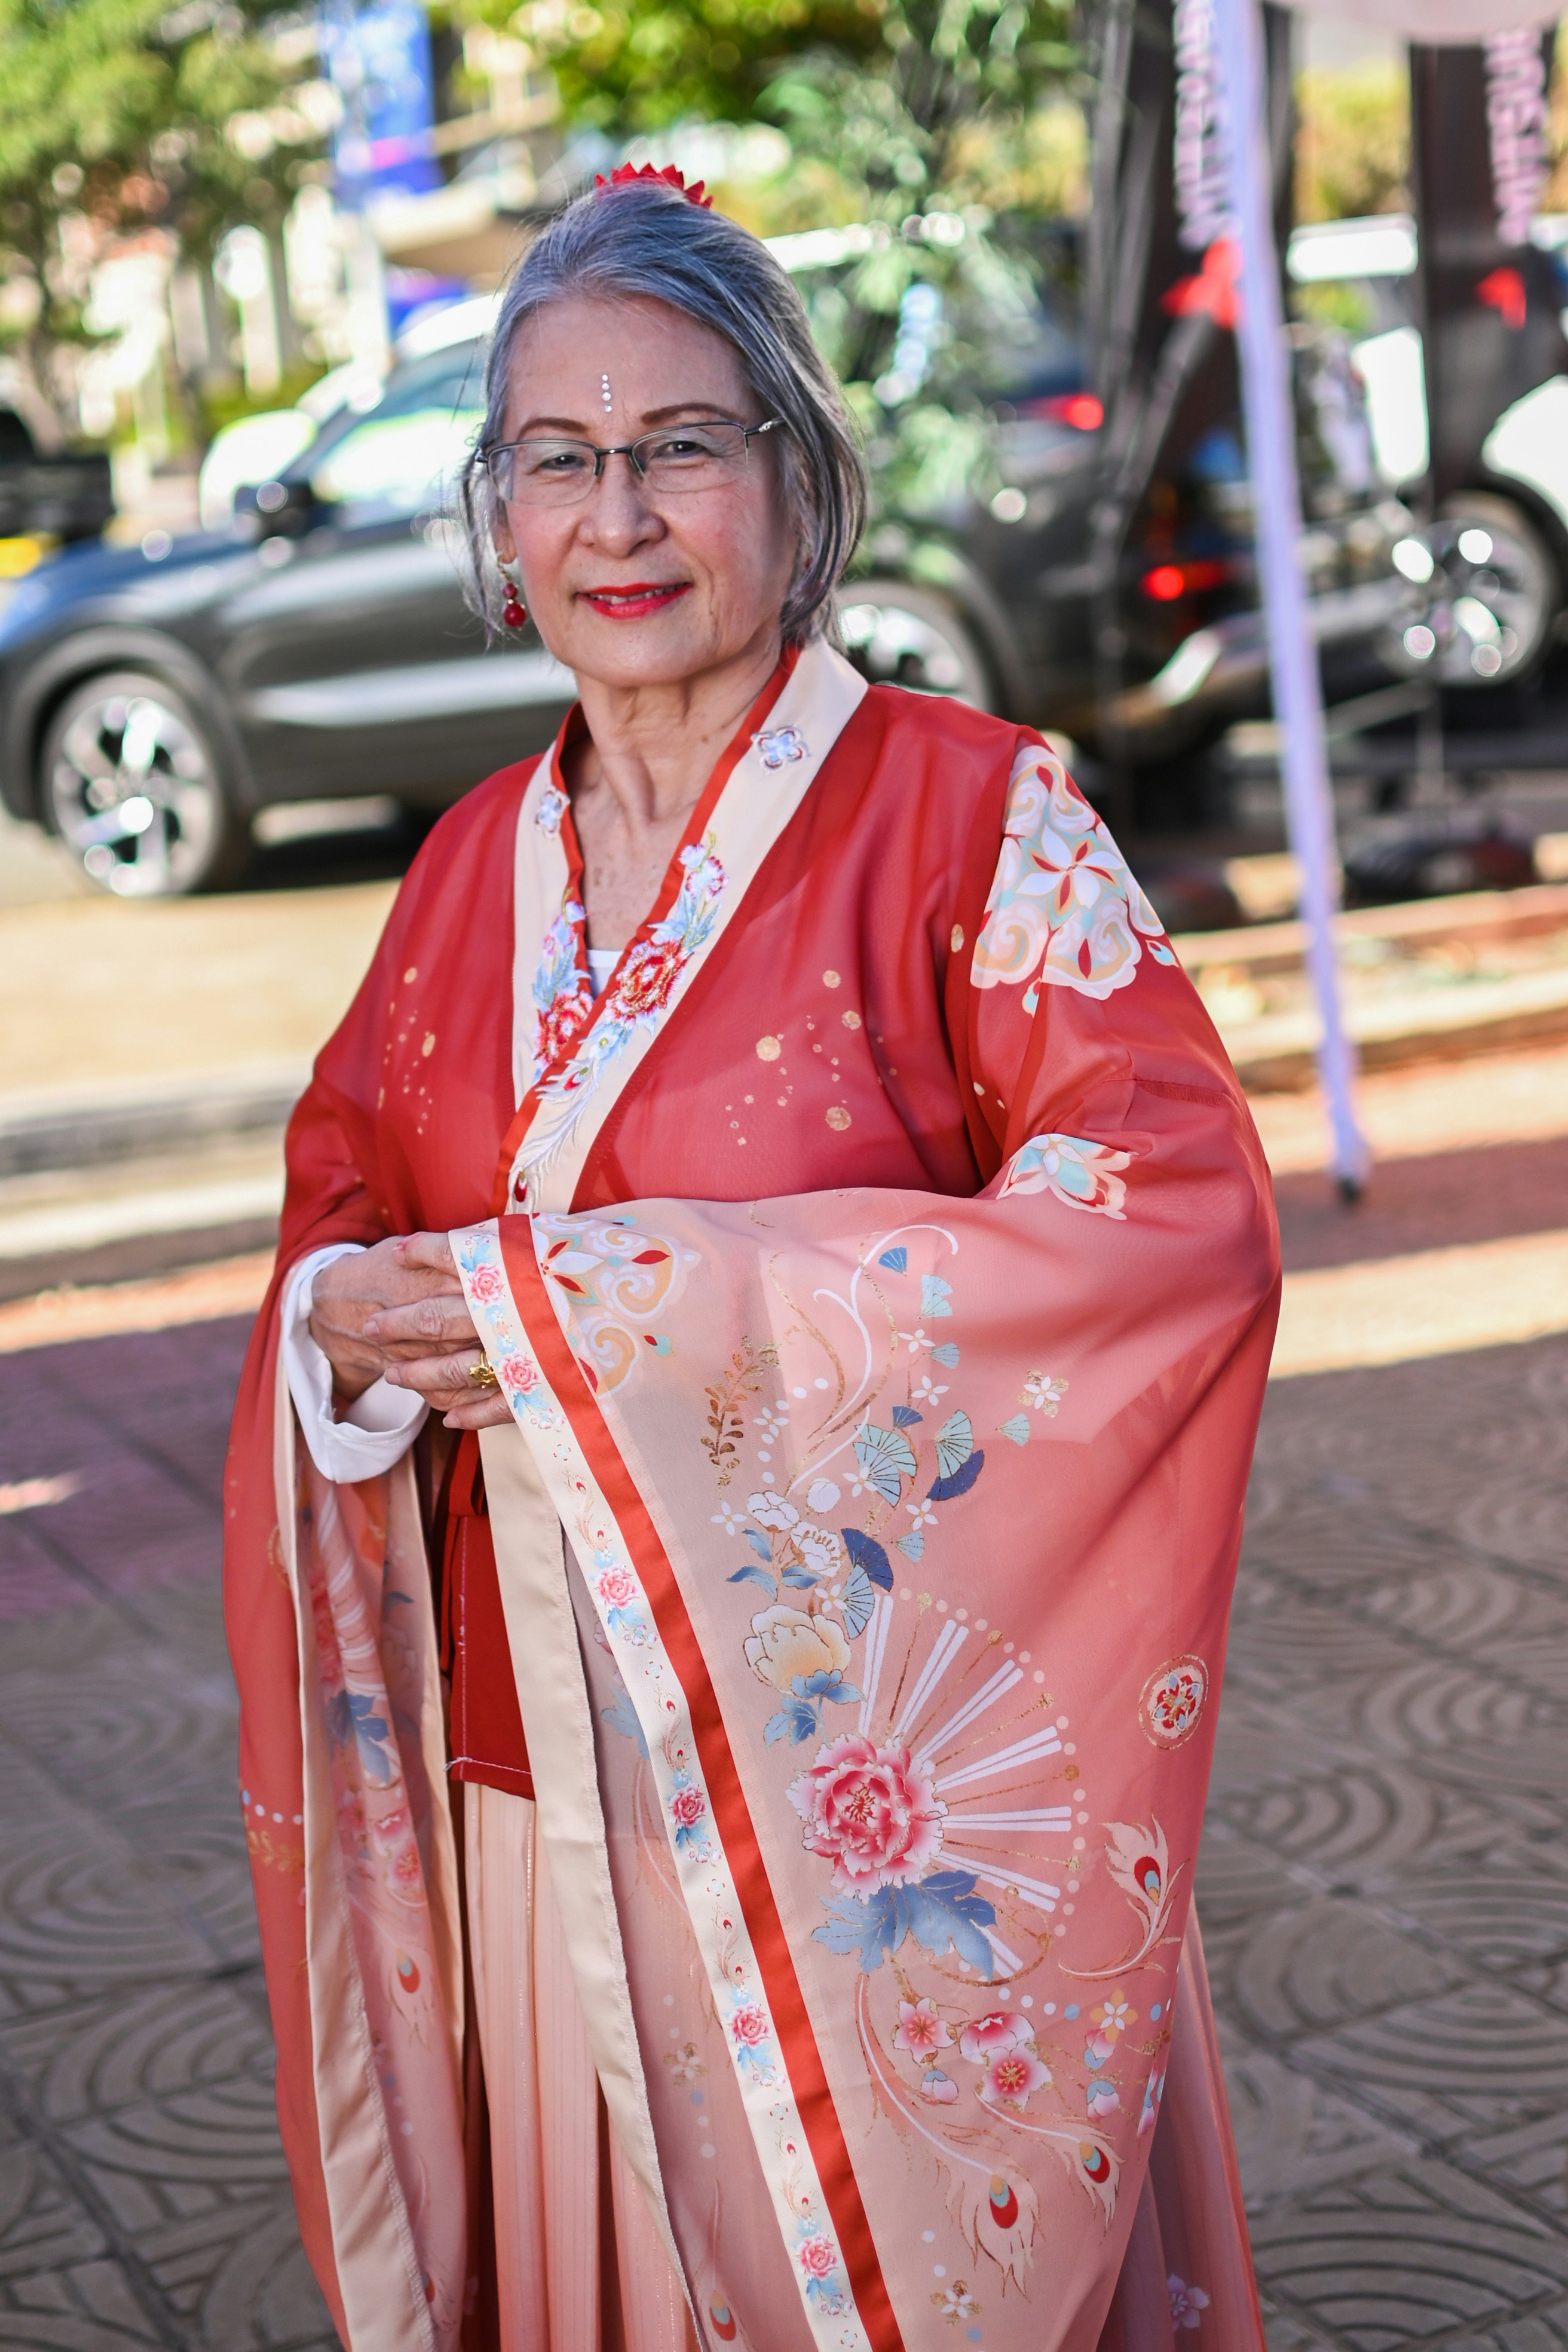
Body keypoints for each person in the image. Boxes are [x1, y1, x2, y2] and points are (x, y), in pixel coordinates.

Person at [225, 163, 1281, 2352]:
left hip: (870, 1849)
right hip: (538, 1793)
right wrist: (340, 1325)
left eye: (681, 446)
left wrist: (635, 1306)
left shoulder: (979, 819)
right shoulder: (460, 876)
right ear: (497, 521)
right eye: (557, 458)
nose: (617, 517)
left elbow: (1170, 1225)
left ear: (800, 487)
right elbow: (342, 1196)